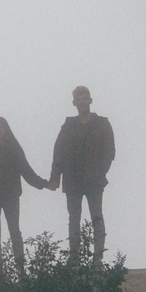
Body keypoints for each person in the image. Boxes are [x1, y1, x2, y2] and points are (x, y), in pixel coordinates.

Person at [48, 85, 115, 264]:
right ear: (74, 103)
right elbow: (58, 152)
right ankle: (74, 259)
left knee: (96, 218)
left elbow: (110, 151)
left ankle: (97, 259)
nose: (82, 102)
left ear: (90, 100)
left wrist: (100, 172)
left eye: (85, 98)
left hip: (94, 180)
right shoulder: (68, 126)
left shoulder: (102, 124)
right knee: (74, 220)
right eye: (78, 99)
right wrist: (55, 177)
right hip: (72, 180)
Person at [0, 117, 46, 277]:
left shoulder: (14, 150)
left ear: (6, 128)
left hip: (10, 197)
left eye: (0, 127)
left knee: (14, 232)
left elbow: (27, 171)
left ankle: (20, 270)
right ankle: (0, 273)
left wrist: (44, 184)